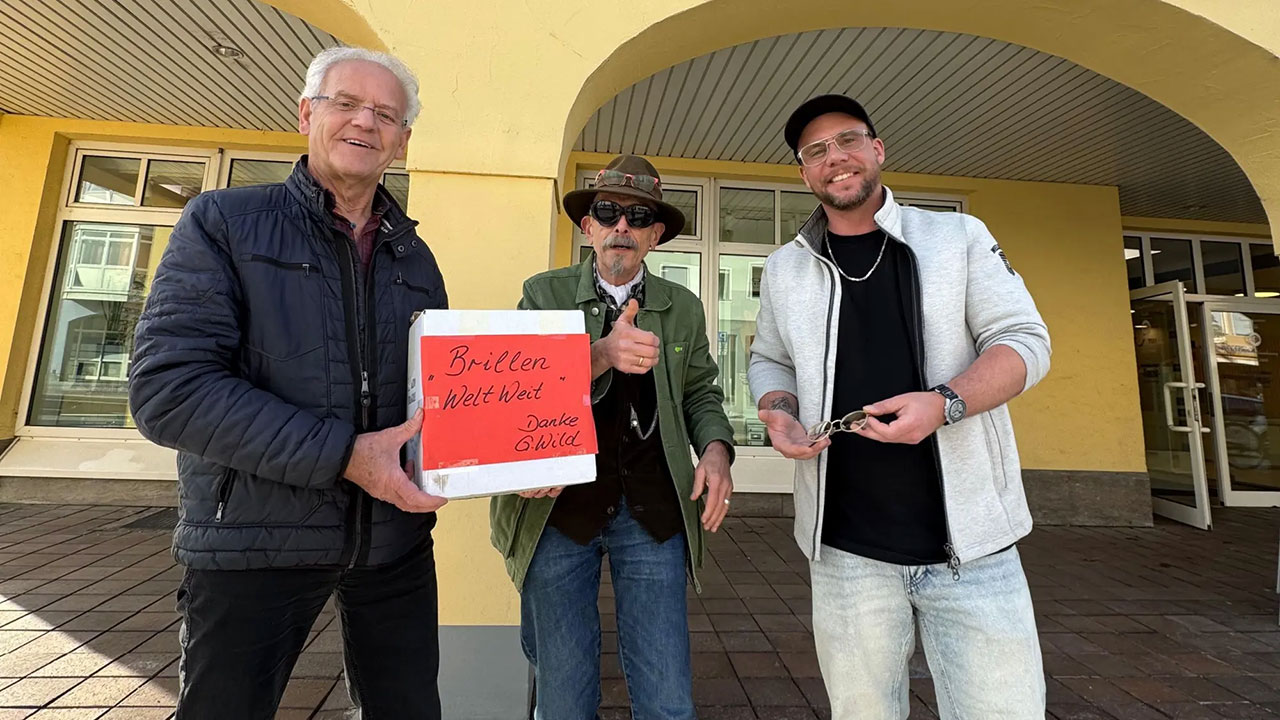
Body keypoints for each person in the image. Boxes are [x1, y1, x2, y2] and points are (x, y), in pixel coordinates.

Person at [129, 47, 448, 719]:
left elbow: (436, 401)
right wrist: (345, 457)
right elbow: (170, 390)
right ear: (307, 113)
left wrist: (512, 459)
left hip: (393, 544)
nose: (366, 121)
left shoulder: (413, 256)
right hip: (255, 539)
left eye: (386, 113)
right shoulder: (223, 223)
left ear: (403, 140)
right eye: (346, 103)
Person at [748, 94, 1052, 719]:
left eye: (849, 141)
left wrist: (946, 403)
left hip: (974, 551)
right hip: (845, 553)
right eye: (816, 152)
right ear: (803, 174)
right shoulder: (785, 267)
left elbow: (1025, 342)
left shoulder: (958, 237)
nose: (836, 158)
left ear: (878, 150)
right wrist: (779, 410)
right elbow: (770, 361)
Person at [489, 154, 735, 720]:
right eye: (608, 212)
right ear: (588, 227)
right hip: (558, 512)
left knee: (666, 693)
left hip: (651, 513)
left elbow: (702, 393)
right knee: (564, 695)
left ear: (654, 235)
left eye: (638, 216)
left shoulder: (682, 307)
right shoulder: (543, 295)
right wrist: (601, 354)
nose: (621, 225)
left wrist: (718, 452)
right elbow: (512, 387)